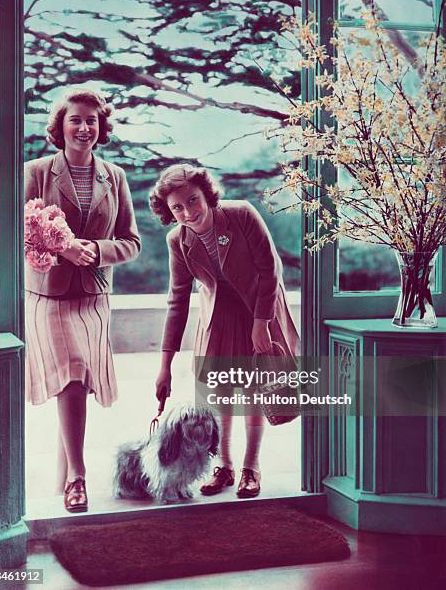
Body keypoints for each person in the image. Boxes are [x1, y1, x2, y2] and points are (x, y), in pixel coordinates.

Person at [150, 164, 299, 498]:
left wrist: (261, 324)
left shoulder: (241, 214)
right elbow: (178, 301)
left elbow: (268, 269)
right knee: (219, 394)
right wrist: (164, 365)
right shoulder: (177, 240)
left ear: (207, 195)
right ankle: (224, 467)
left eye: (193, 200)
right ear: (168, 212)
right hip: (218, 316)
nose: (188, 211)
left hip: (260, 306)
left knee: (254, 393)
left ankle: (251, 468)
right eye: (177, 207)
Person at [24, 88, 141, 513]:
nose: (84, 127)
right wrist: (62, 249)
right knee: (71, 375)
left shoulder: (116, 177)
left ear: (101, 127)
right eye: (76, 119)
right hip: (47, 295)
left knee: (74, 385)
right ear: (61, 126)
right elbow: (17, 231)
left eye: (92, 120)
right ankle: (78, 477)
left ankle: (61, 479)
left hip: (93, 297)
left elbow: (131, 242)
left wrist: (96, 249)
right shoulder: (35, 172)